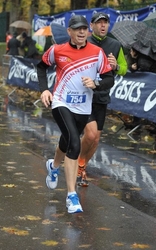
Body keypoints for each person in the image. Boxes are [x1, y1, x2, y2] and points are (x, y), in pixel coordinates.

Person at [36, 15, 114, 214]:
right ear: (69, 31)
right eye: (76, 29)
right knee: (74, 142)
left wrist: (96, 84)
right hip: (61, 102)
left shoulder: (97, 53)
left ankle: (53, 166)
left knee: (67, 139)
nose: (81, 32)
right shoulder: (57, 50)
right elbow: (41, 67)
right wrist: (45, 89)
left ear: (88, 31)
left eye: (84, 29)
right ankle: (71, 196)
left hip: (84, 107)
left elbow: (109, 79)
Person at [77, 12, 128, 187]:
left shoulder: (115, 44)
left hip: (102, 94)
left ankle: (82, 165)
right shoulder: (85, 42)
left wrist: (117, 66)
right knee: (90, 134)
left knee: (96, 139)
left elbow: (124, 69)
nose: (103, 25)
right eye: (99, 23)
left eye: (105, 22)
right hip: (85, 95)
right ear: (92, 26)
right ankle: (79, 162)